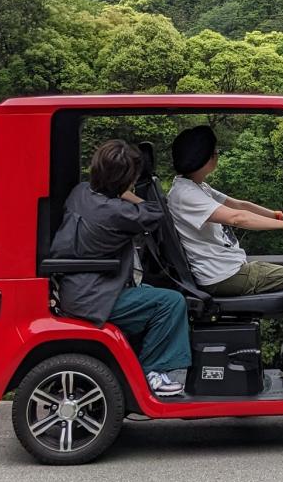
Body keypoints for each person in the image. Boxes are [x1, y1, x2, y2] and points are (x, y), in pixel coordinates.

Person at [167, 125, 283, 378]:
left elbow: (238, 204)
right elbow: (238, 217)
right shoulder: (185, 195)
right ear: (206, 157)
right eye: (214, 150)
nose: (217, 154)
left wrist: (282, 214)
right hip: (224, 276)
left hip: (227, 269)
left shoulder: (194, 186)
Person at [52, 139, 191, 397]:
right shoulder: (115, 212)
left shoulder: (81, 192)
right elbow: (154, 213)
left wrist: (118, 189)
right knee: (171, 302)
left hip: (78, 289)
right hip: (95, 296)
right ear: (124, 180)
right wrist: (128, 193)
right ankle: (153, 373)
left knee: (153, 292)